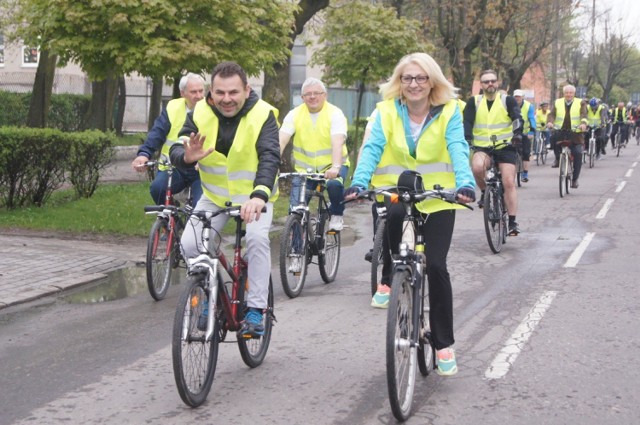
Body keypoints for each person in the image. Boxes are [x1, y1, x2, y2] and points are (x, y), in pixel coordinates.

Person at [344, 52, 475, 376]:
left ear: (432, 82)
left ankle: (443, 343)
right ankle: (396, 272)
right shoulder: (386, 111)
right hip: (397, 191)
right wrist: (359, 182)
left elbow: (458, 147)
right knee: (393, 215)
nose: (414, 84)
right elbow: (372, 147)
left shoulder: (449, 112)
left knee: (436, 265)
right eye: (407, 78)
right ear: (398, 83)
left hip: (439, 197)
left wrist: (466, 182)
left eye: (420, 78)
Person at [169, 62, 280, 337]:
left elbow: (269, 157)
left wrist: (258, 195)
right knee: (190, 244)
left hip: (254, 198)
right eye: (220, 92)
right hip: (215, 196)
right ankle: (209, 294)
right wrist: (185, 157)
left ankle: (256, 310)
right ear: (211, 92)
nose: (226, 99)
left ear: (246, 89)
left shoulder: (263, 114)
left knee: (255, 240)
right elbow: (177, 146)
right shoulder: (200, 111)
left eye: (233, 92)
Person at [279, 77, 349, 233]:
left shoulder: (335, 114)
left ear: (325, 95)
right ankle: (296, 252)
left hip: (333, 166)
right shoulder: (294, 114)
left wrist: (336, 167)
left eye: (316, 93)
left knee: (334, 185)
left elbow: (337, 142)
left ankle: (336, 214)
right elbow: (281, 140)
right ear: (302, 98)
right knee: (296, 211)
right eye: (307, 94)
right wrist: (270, 164)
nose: (312, 97)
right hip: (305, 171)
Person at [463, 69, 523, 235]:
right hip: (482, 147)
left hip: (505, 146)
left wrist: (517, 133)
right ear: (481, 85)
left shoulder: (507, 100)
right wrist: (467, 138)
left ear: (497, 83)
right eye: (486, 81)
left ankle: (512, 222)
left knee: (508, 181)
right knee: (477, 167)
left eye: (493, 81)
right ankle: (484, 192)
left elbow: (517, 117)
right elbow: (467, 121)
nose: (490, 84)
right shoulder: (474, 102)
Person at [131, 73, 205, 207]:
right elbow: (157, 133)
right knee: (158, 189)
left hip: (201, 169)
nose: (199, 96)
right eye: (194, 92)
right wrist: (144, 154)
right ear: (183, 93)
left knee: (200, 208)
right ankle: (173, 218)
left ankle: (194, 225)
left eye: (201, 91)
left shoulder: (212, 109)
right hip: (175, 166)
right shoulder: (172, 107)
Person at [546, 84, 588, 188]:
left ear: (574, 94)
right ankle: (557, 159)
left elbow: (584, 115)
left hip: (575, 133)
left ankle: (574, 179)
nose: (568, 95)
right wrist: (550, 122)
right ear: (563, 93)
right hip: (560, 130)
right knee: (553, 139)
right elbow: (552, 114)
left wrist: (583, 123)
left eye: (571, 93)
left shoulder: (580, 102)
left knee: (578, 153)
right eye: (566, 93)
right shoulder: (558, 102)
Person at [513, 89, 535, 182]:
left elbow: (531, 119)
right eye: (515, 97)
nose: (517, 98)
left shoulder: (528, 106)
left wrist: (532, 131)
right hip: (512, 132)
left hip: (525, 132)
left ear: (522, 97)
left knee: (526, 153)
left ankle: (525, 174)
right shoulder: (509, 105)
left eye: (519, 97)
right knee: (511, 153)